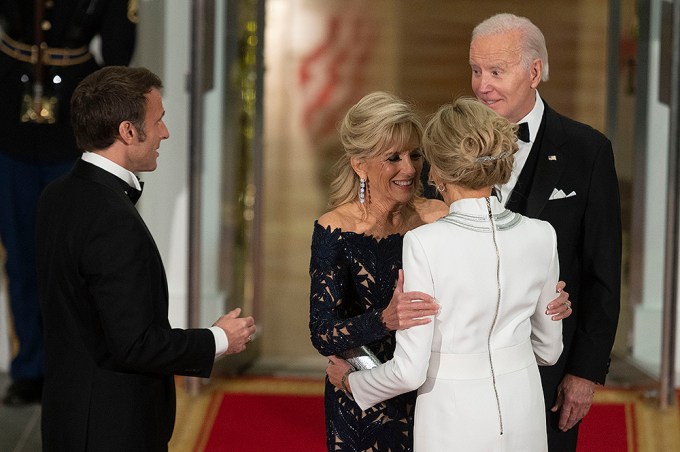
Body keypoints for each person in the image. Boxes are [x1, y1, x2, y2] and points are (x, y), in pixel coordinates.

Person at [309, 91, 571, 451]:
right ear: (359, 164)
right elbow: (323, 332)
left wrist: (543, 300)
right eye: (393, 158)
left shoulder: (436, 222)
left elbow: (487, 286)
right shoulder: (335, 230)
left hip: (434, 398)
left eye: (416, 155)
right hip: (367, 406)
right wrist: (383, 320)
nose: (410, 169)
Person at [35, 66, 257, 452]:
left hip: (67, 418)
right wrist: (219, 339)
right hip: (113, 429)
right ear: (128, 131)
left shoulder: (57, 195)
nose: (165, 133)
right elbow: (135, 345)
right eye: (159, 121)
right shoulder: (111, 219)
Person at [468, 13, 622, 451]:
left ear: (534, 72)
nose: (482, 84)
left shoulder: (588, 151)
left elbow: (602, 273)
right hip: (461, 372)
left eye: (496, 71)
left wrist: (586, 372)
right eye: (476, 70)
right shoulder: (447, 145)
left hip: (548, 371)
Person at [0, 0, 136, 406]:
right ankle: (30, 367)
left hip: (76, 119)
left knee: (78, 257)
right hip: (9, 112)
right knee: (22, 255)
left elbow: (118, 47)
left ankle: (77, 364)